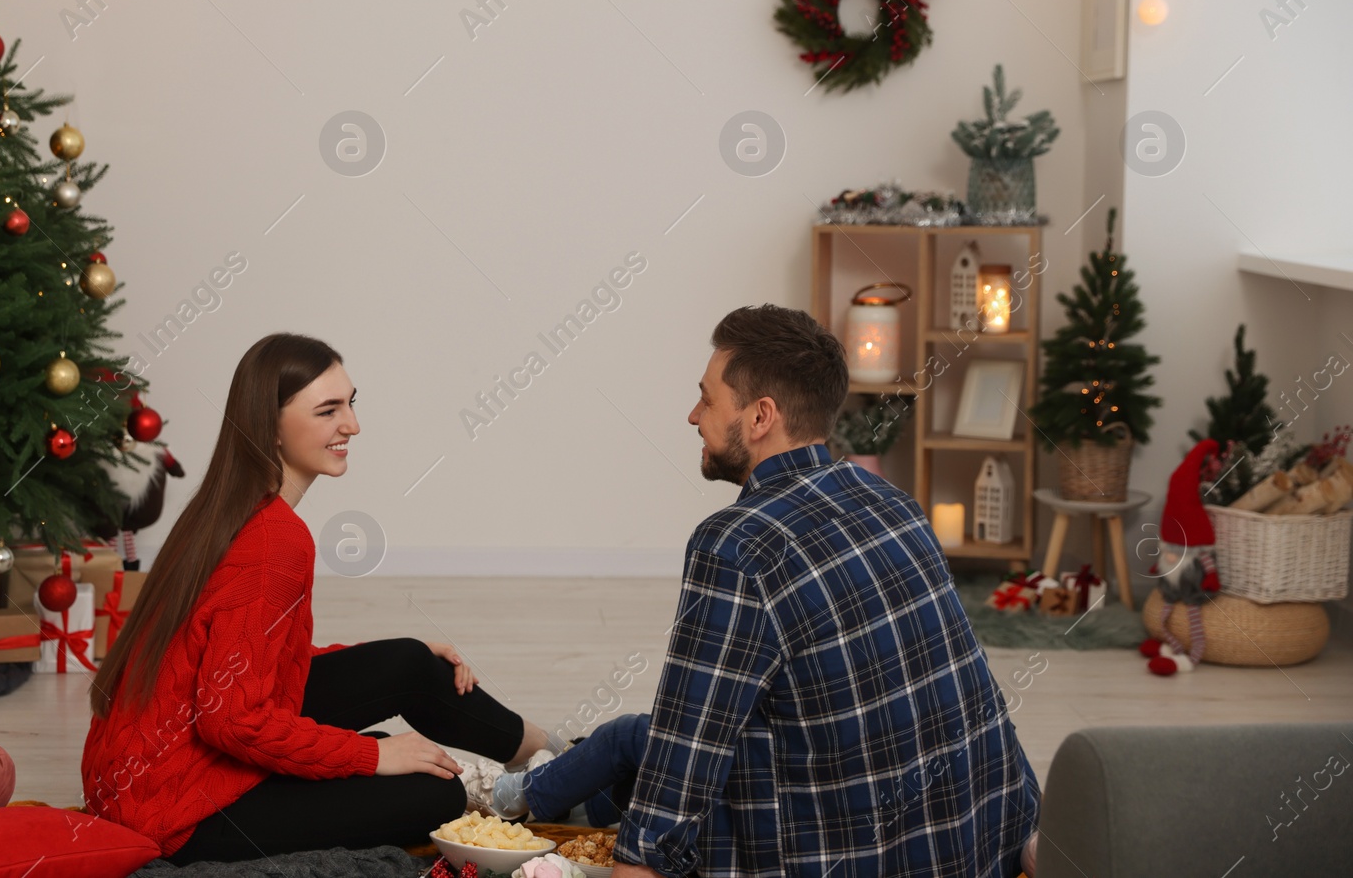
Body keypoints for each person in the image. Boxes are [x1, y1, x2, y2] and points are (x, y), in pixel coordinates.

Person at [488, 305, 1040, 877]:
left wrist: (634, 862)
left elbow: (682, 763)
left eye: (707, 399)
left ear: (759, 417)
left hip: (838, 852)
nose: (693, 415)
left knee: (645, 745)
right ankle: (557, 788)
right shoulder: (893, 504)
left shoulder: (736, 546)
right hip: (974, 843)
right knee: (641, 744)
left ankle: (526, 800)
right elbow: (969, 697)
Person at [81, 333, 564, 863]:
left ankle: (551, 760)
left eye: (349, 404)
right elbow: (231, 721)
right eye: (328, 411)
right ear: (271, 425)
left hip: (144, 775)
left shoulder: (226, 508)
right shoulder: (274, 541)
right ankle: (554, 777)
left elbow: (239, 663)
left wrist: (375, 738)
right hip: (178, 811)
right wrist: (371, 756)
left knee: (410, 661)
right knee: (433, 791)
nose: (351, 425)